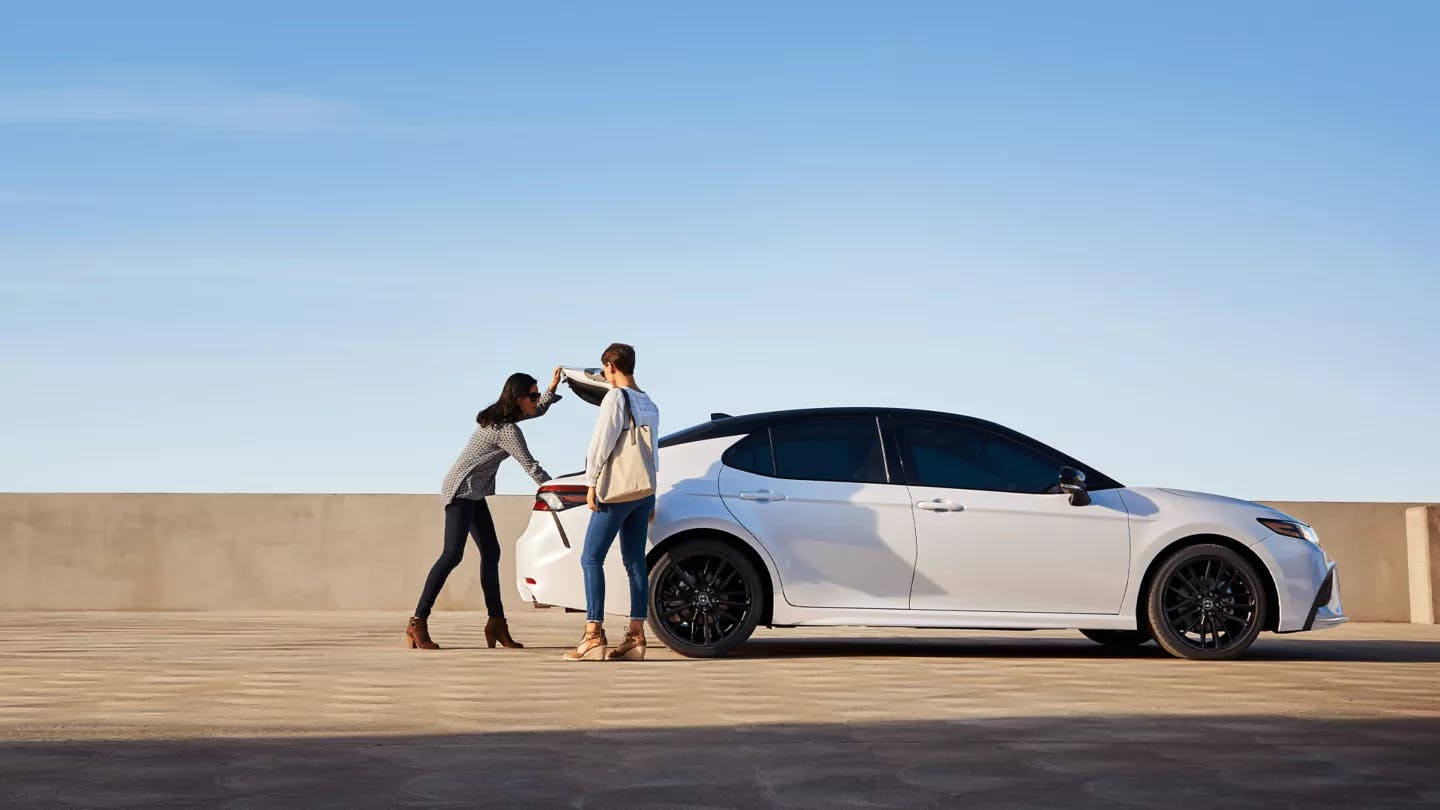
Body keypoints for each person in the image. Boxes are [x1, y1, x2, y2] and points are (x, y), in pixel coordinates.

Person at [406, 368, 563, 650]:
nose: (536, 401)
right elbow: (530, 466)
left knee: (491, 553)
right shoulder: (506, 430)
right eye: (533, 395)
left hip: (474, 494)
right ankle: (417, 620)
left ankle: (496, 623)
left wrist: (551, 389)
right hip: (460, 490)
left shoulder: (507, 420)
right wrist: (556, 491)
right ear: (518, 398)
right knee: (451, 555)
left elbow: (537, 411)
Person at [565, 343, 661, 662]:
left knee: (591, 558)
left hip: (616, 491)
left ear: (610, 366)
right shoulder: (648, 401)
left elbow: (601, 443)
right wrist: (653, 494)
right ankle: (636, 637)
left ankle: (593, 635)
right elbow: (653, 455)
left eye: (605, 369)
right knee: (635, 561)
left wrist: (591, 483)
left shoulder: (615, 398)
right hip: (643, 492)